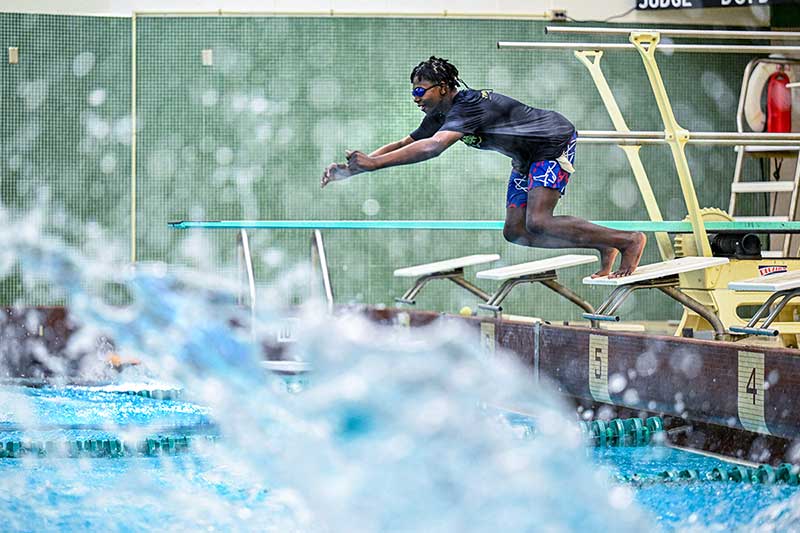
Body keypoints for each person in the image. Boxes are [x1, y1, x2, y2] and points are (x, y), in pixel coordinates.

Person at [321, 56, 646, 278]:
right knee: (516, 231)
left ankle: (628, 240)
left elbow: (433, 148)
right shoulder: (439, 115)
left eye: (420, 90)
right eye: (413, 92)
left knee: (539, 220)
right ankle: (603, 241)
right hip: (526, 158)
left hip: (552, 141)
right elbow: (405, 144)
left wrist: (374, 163)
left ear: (444, 87)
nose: (415, 97)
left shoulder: (468, 105)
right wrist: (356, 168)